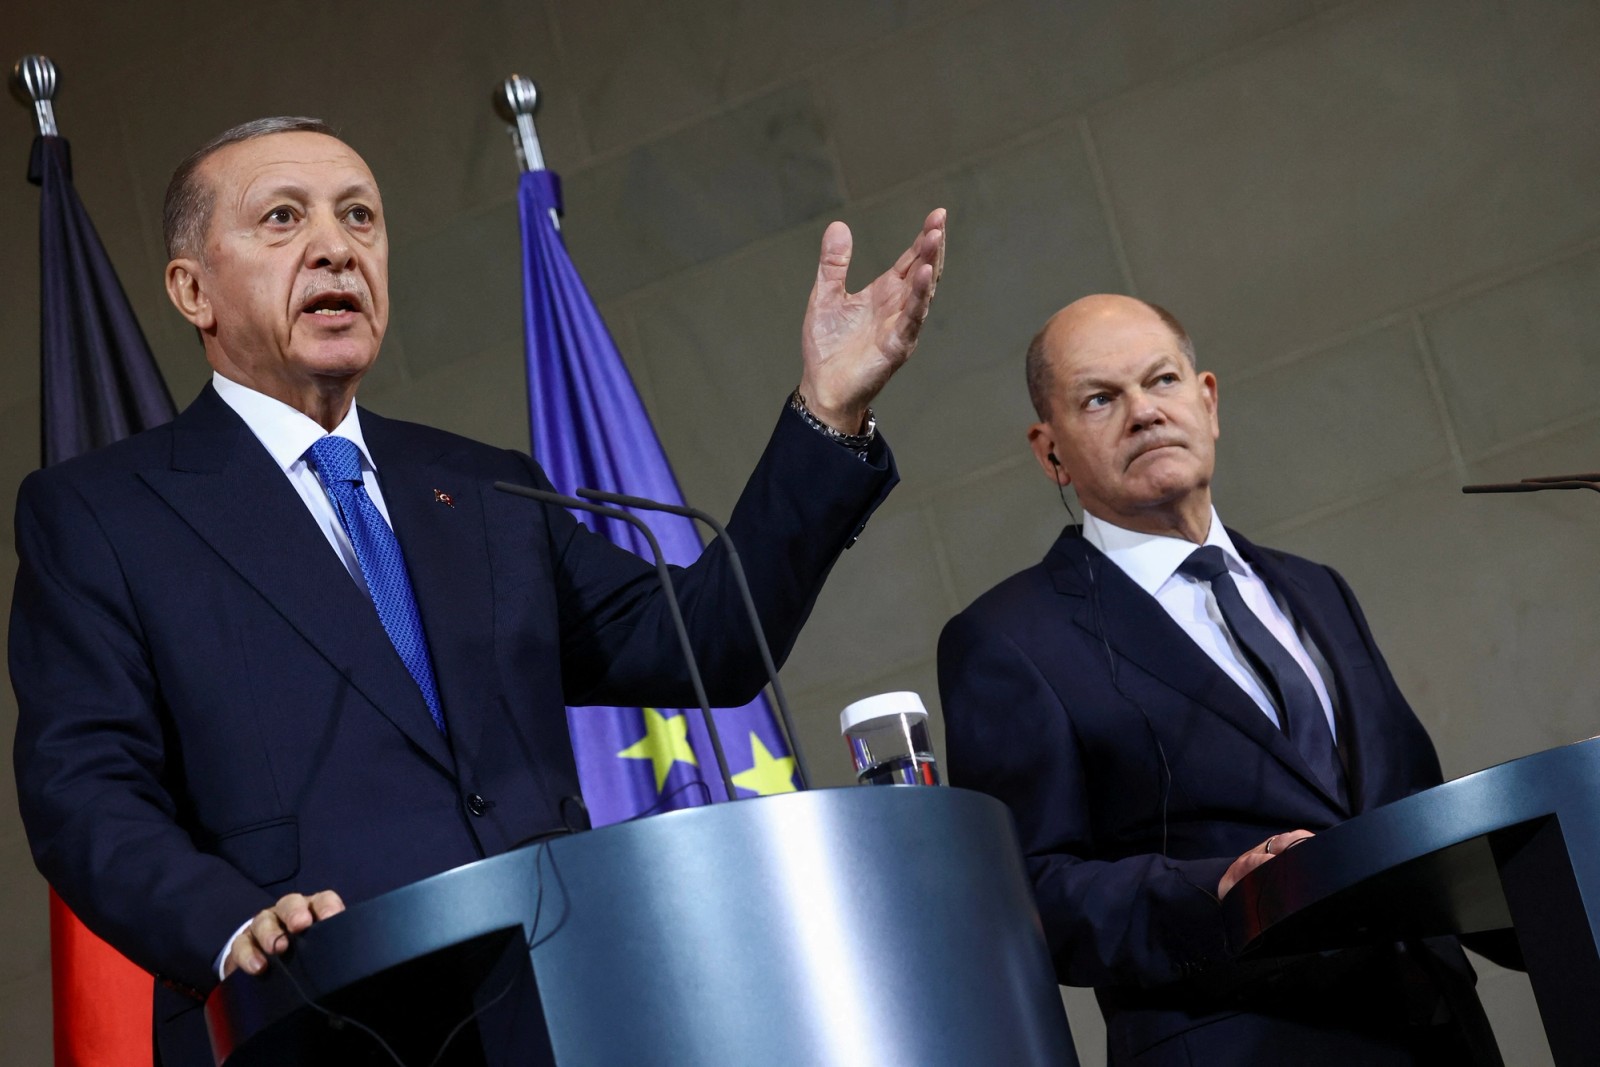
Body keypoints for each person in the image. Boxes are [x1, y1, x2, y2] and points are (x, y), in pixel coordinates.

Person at [9, 116, 945, 1065]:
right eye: (283, 218)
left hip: (560, 1006)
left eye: (360, 217)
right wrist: (228, 924)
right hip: (315, 1019)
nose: (336, 247)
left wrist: (828, 412)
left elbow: (708, 641)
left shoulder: (483, 486)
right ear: (192, 290)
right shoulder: (103, 515)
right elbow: (82, 789)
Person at [938, 294, 1501, 1066]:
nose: (1144, 412)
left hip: (1439, 1034)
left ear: (1207, 401)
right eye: (1100, 398)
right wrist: (1217, 892)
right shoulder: (1009, 638)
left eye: (1161, 380)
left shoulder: (1318, 588)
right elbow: (1028, 888)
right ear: (1051, 451)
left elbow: (1411, 806)